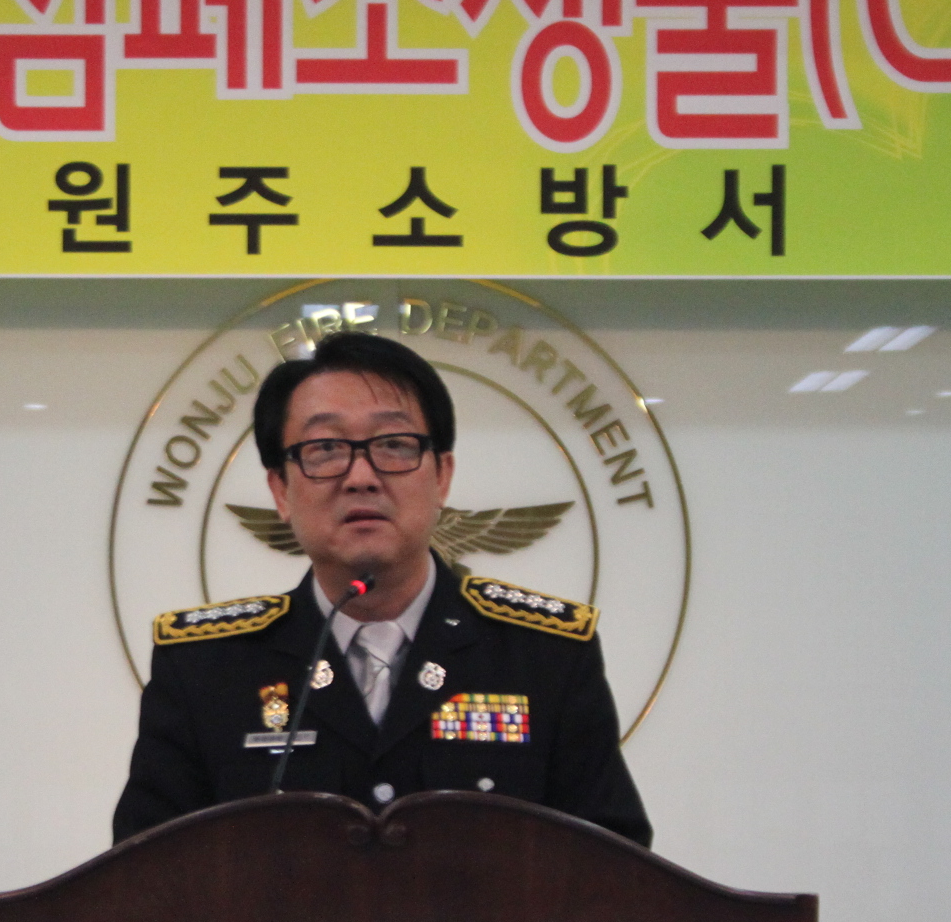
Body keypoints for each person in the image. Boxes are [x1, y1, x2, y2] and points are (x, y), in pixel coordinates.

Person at [113, 331, 652, 846]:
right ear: (280, 488)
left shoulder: (545, 656)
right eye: (325, 448)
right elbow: (145, 873)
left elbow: (615, 869)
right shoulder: (205, 667)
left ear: (442, 475)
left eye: (394, 445)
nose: (361, 477)